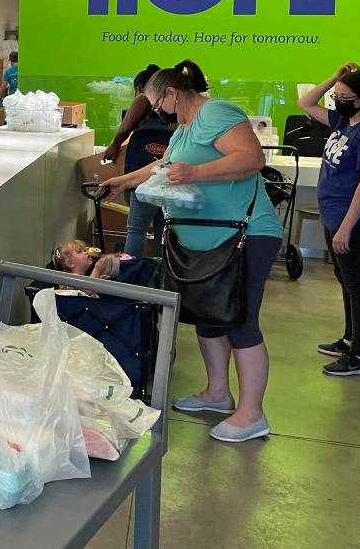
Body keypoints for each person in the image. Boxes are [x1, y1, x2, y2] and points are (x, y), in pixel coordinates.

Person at [98, 60, 284, 443]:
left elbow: (251, 159)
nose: (156, 112)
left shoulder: (217, 112)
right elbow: (165, 166)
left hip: (244, 234)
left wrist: (197, 174)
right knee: (208, 316)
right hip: (202, 238)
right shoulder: (183, 128)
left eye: (156, 104)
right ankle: (217, 393)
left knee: (240, 320)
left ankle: (252, 413)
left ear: (171, 93)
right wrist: (123, 181)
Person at [297, 63, 360, 377]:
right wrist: (335, 79)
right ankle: (350, 340)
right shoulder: (343, 122)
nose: (339, 100)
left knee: (357, 285)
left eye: (346, 96)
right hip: (333, 215)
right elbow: (306, 103)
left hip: (350, 220)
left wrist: (347, 228)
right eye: (338, 95)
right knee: (346, 283)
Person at [102, 64, 170, 257]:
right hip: (169, 174)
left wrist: (114, 146)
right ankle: (159, 275)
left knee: (137, 228)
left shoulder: (143, 99)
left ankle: (131, 275)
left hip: (144, 174)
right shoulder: (173, 104)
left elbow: (125, 128)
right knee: (162, 230)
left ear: (141, 86)